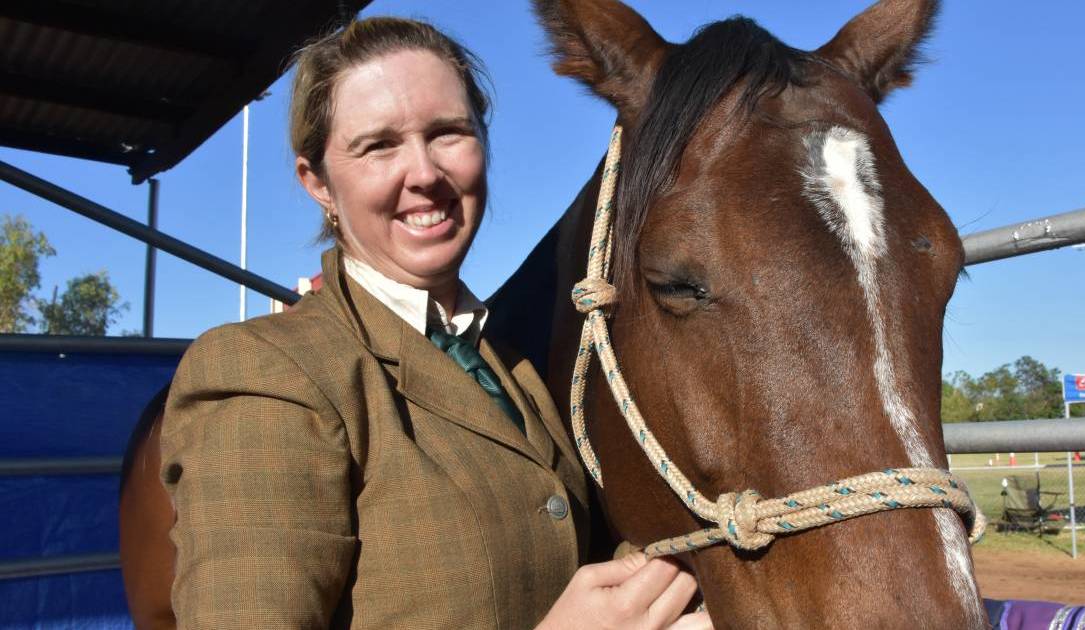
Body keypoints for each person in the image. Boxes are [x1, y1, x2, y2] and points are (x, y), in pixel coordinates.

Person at [158, 16, 711, 629]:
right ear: (317, 182)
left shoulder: (511, 364)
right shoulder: (264, 370)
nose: (423, 173)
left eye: (448, 133)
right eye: (378, 146)